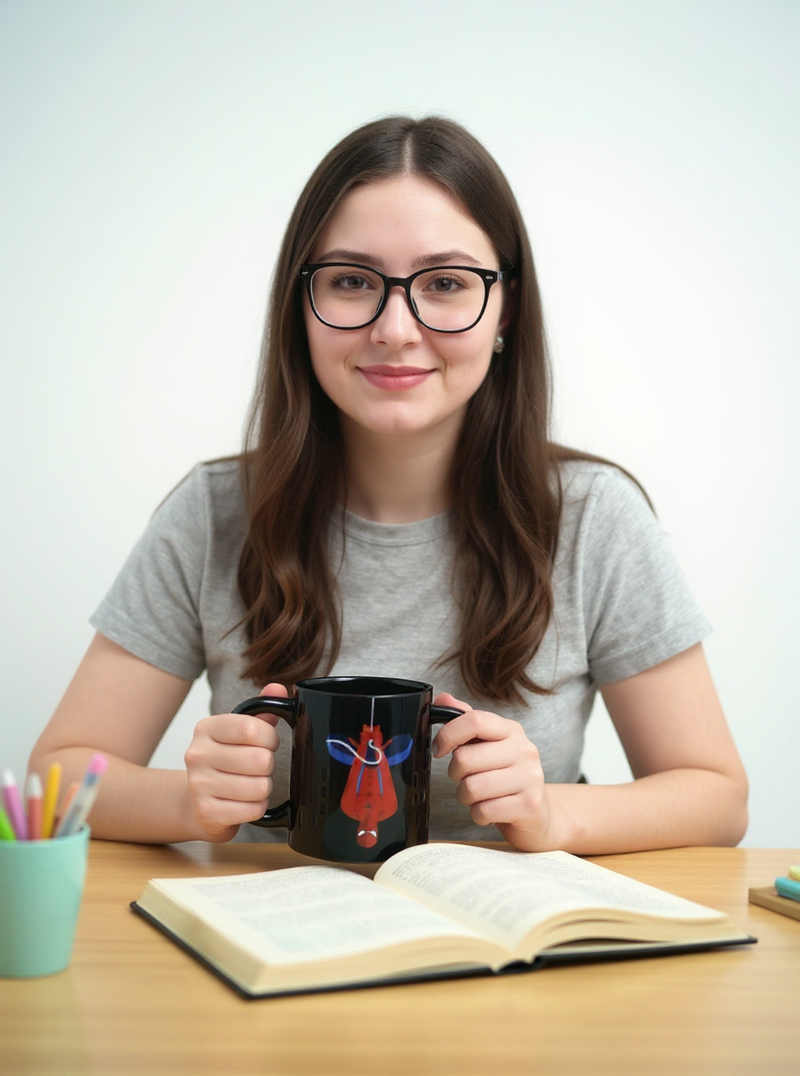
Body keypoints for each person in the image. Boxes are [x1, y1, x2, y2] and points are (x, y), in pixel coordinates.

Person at [30, 116, 748, 853]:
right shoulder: (213, 515)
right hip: (268, 957)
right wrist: (188, 803)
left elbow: (716, 797)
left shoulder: (595, 517)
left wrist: (554, 815)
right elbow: (56, 776)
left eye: (444, 283)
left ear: (507, 308)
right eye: (351, 281)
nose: (396, 329)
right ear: (298, 309)